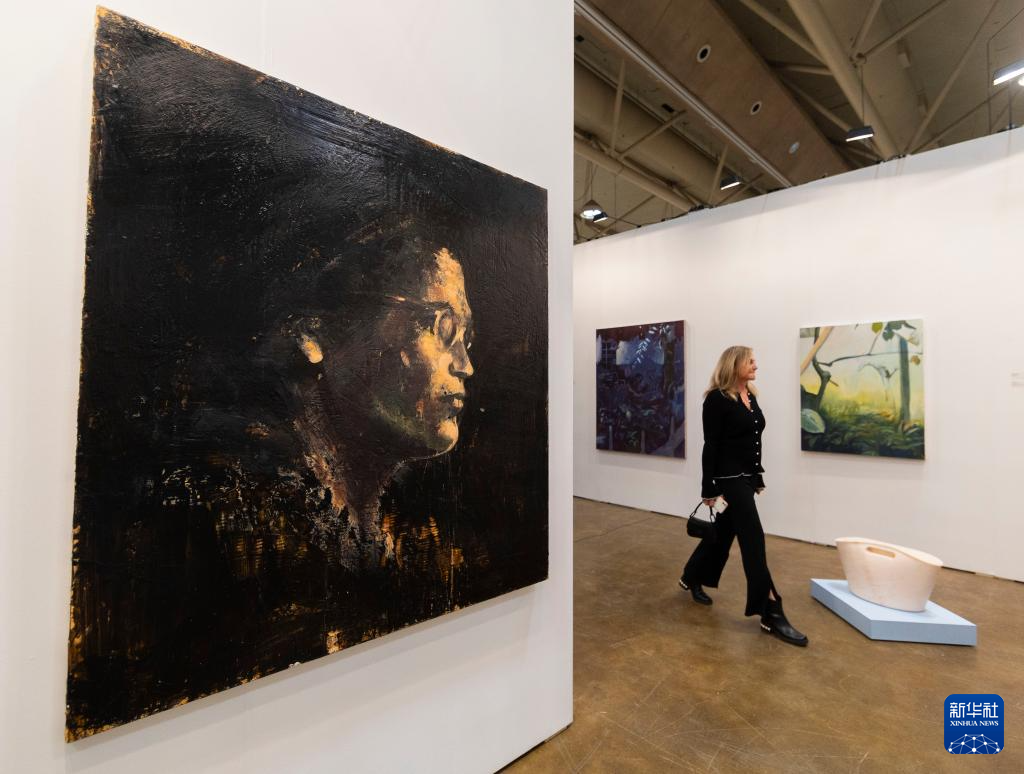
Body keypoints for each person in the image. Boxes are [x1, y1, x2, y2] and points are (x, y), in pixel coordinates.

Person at [679, 346, 808, 647]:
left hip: (746, 478)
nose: (755, 365)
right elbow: (711, 445)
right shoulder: (716, 399)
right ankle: (770, 609)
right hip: (727, 479)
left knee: (723, 534)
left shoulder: (751, 395)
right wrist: (708, 487)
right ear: (734, 365)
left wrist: (756, 476)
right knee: (754, 540)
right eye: (750, 361)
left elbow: (753, 441)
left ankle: (691, 575)